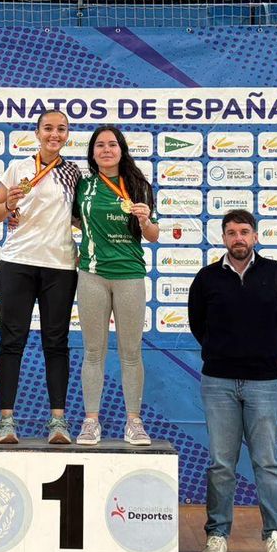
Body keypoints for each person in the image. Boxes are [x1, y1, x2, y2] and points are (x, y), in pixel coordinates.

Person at [188, 209, 277, 552]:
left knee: (266, 463)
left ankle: (275, 538)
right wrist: (221, 353)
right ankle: (217, 535)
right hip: (218, 381)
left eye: (244, 232)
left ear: (255, 237)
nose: (238, 238)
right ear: (223, 238)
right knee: (221, 464)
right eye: (231, 232)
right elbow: (196, 324)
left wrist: (266, 354)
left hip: (265, 382)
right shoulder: (206, 278)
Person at [0, 110, 81, 445]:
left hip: (60, 264)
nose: (55, 134)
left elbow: (82, 219)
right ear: (37, 132)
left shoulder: (73, 172)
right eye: (48, 128)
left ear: (67, 134)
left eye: (62, 129)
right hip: (17, 262)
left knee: (56, 343)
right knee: (12, 341)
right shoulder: (18, 167)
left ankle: (58, 421)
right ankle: (6, 422)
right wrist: (8, 206)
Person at [74, 125, 160, 446]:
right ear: (93, 152)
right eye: (100, 145)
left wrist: (145, 221)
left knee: (130, 352)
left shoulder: (138, 185)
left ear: (121, 150)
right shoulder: (84, 186)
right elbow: (71, 220)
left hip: (130, 274)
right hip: (92, 274)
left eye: (112, 144)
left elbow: (153, 236)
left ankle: (134, 422)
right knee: (94, 351)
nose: (106, 150)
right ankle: (90, 421)